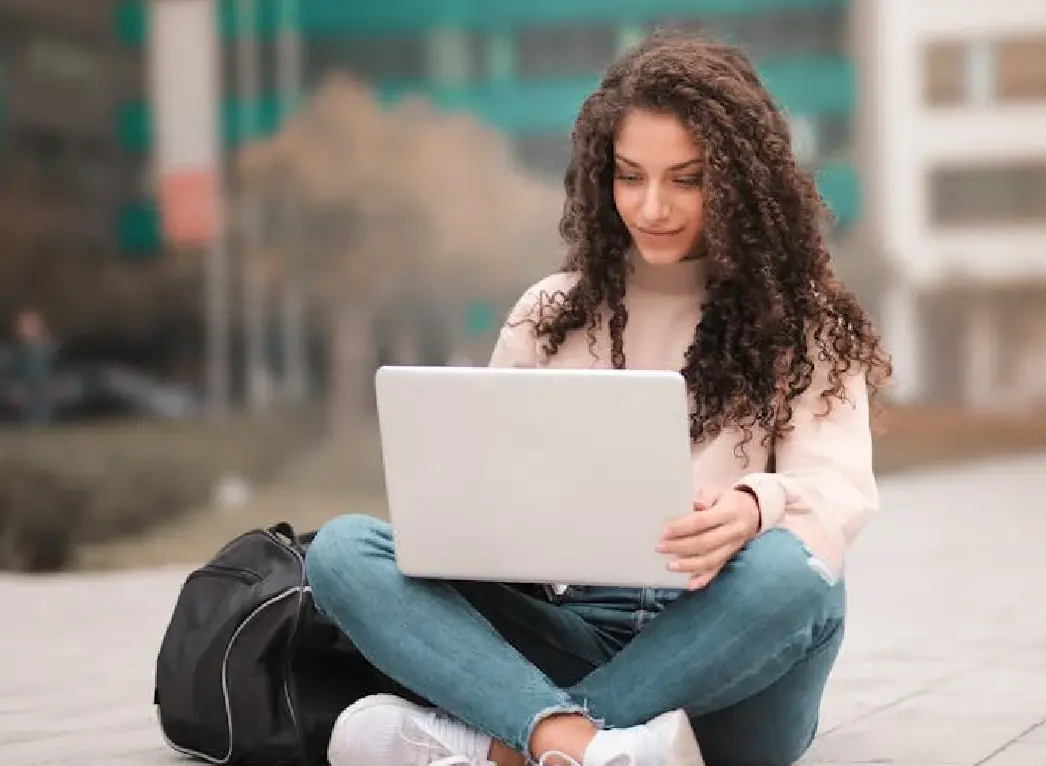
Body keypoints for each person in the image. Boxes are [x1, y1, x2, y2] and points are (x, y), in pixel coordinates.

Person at [305, 31, 892, 766]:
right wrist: (475, 524)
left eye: (687, 179)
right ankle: (587, 748)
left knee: (799, 573)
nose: (652, 207)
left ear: (742, 182)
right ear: (599, 175)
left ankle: (510, 748)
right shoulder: (549, 314)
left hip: (729, 654)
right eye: (629, 176)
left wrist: (754, 506)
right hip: (573, 626)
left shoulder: (803, 321)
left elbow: (838, 494)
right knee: (341, 552)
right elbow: (481, 493)